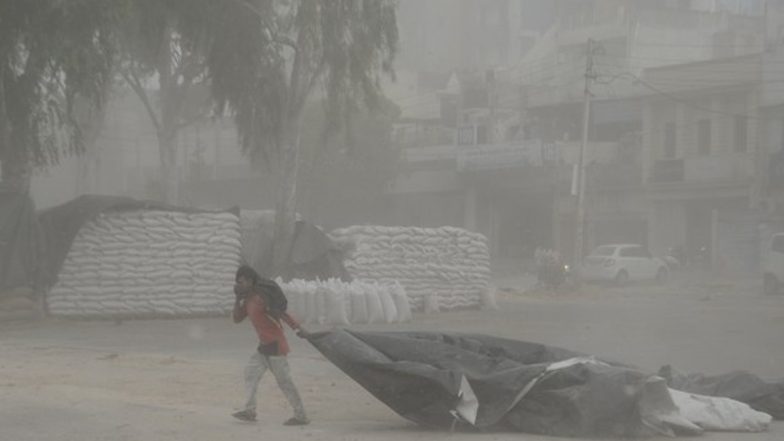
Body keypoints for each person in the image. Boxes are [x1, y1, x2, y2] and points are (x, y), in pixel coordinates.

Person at [231, 265, 310, 425]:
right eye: (238, 282)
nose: (239, 285)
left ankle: (301, 416)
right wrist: (237, 299)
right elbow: (237, 319)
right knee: (250, 374)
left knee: (285, 382)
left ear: (250, 280)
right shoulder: (247, 299)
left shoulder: (262, 298)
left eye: (242, 282)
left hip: (275, 346)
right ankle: (249, 410)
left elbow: (281, 313)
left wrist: (297, 328)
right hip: (264, 346)